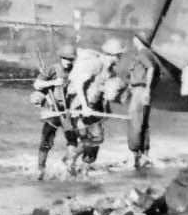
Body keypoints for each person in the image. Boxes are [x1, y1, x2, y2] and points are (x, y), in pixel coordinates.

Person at [68, 39, 125, 173]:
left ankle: (83, 169)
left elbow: (104, 92)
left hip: (95, 108)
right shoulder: (96, 64)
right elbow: (78, 84)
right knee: (94, 137)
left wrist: (107, 109)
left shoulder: (110, 71)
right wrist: (85, 107)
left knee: (95, 139)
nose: (120, 58)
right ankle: (70, 160)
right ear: (113, 55)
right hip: (80, 107)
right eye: (119, 55)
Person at [32, 43, 79, 180]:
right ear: (61, 58)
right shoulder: (53, 69)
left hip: (67, 111)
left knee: (72, 139)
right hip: (53, 110)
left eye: (70, 59)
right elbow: (37, 84)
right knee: (46, 139)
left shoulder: (75, 71)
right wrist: (53, 83)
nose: (68, 62)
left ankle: (69, 167)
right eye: (65, 59)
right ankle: (41, 168)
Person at [123, 34, 159, 169]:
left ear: (138, 40)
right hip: (141, 90)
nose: (133, 40)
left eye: (135, 38)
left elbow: (150, 68)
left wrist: (147, 89)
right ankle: (144, 154)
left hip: (140, 91)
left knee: (134, 121)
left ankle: (134, 156)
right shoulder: (149, 53)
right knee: (142, 122)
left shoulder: (143, 53)